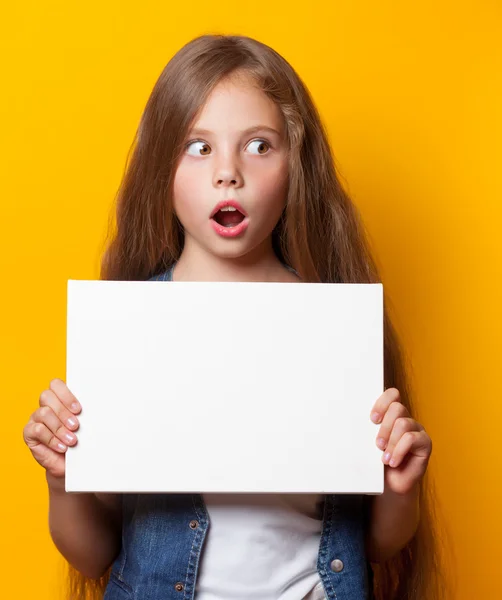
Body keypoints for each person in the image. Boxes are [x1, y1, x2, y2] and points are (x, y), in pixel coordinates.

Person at [22, 34, 446, 600]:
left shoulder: (334, 330)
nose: (229, 173)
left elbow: (374, 545)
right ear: (161, 167)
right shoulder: (129, 330)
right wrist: (62, 477)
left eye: (259, 145)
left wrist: (399, 489)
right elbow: (94, 553)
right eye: (198, 147)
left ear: (298, 163)